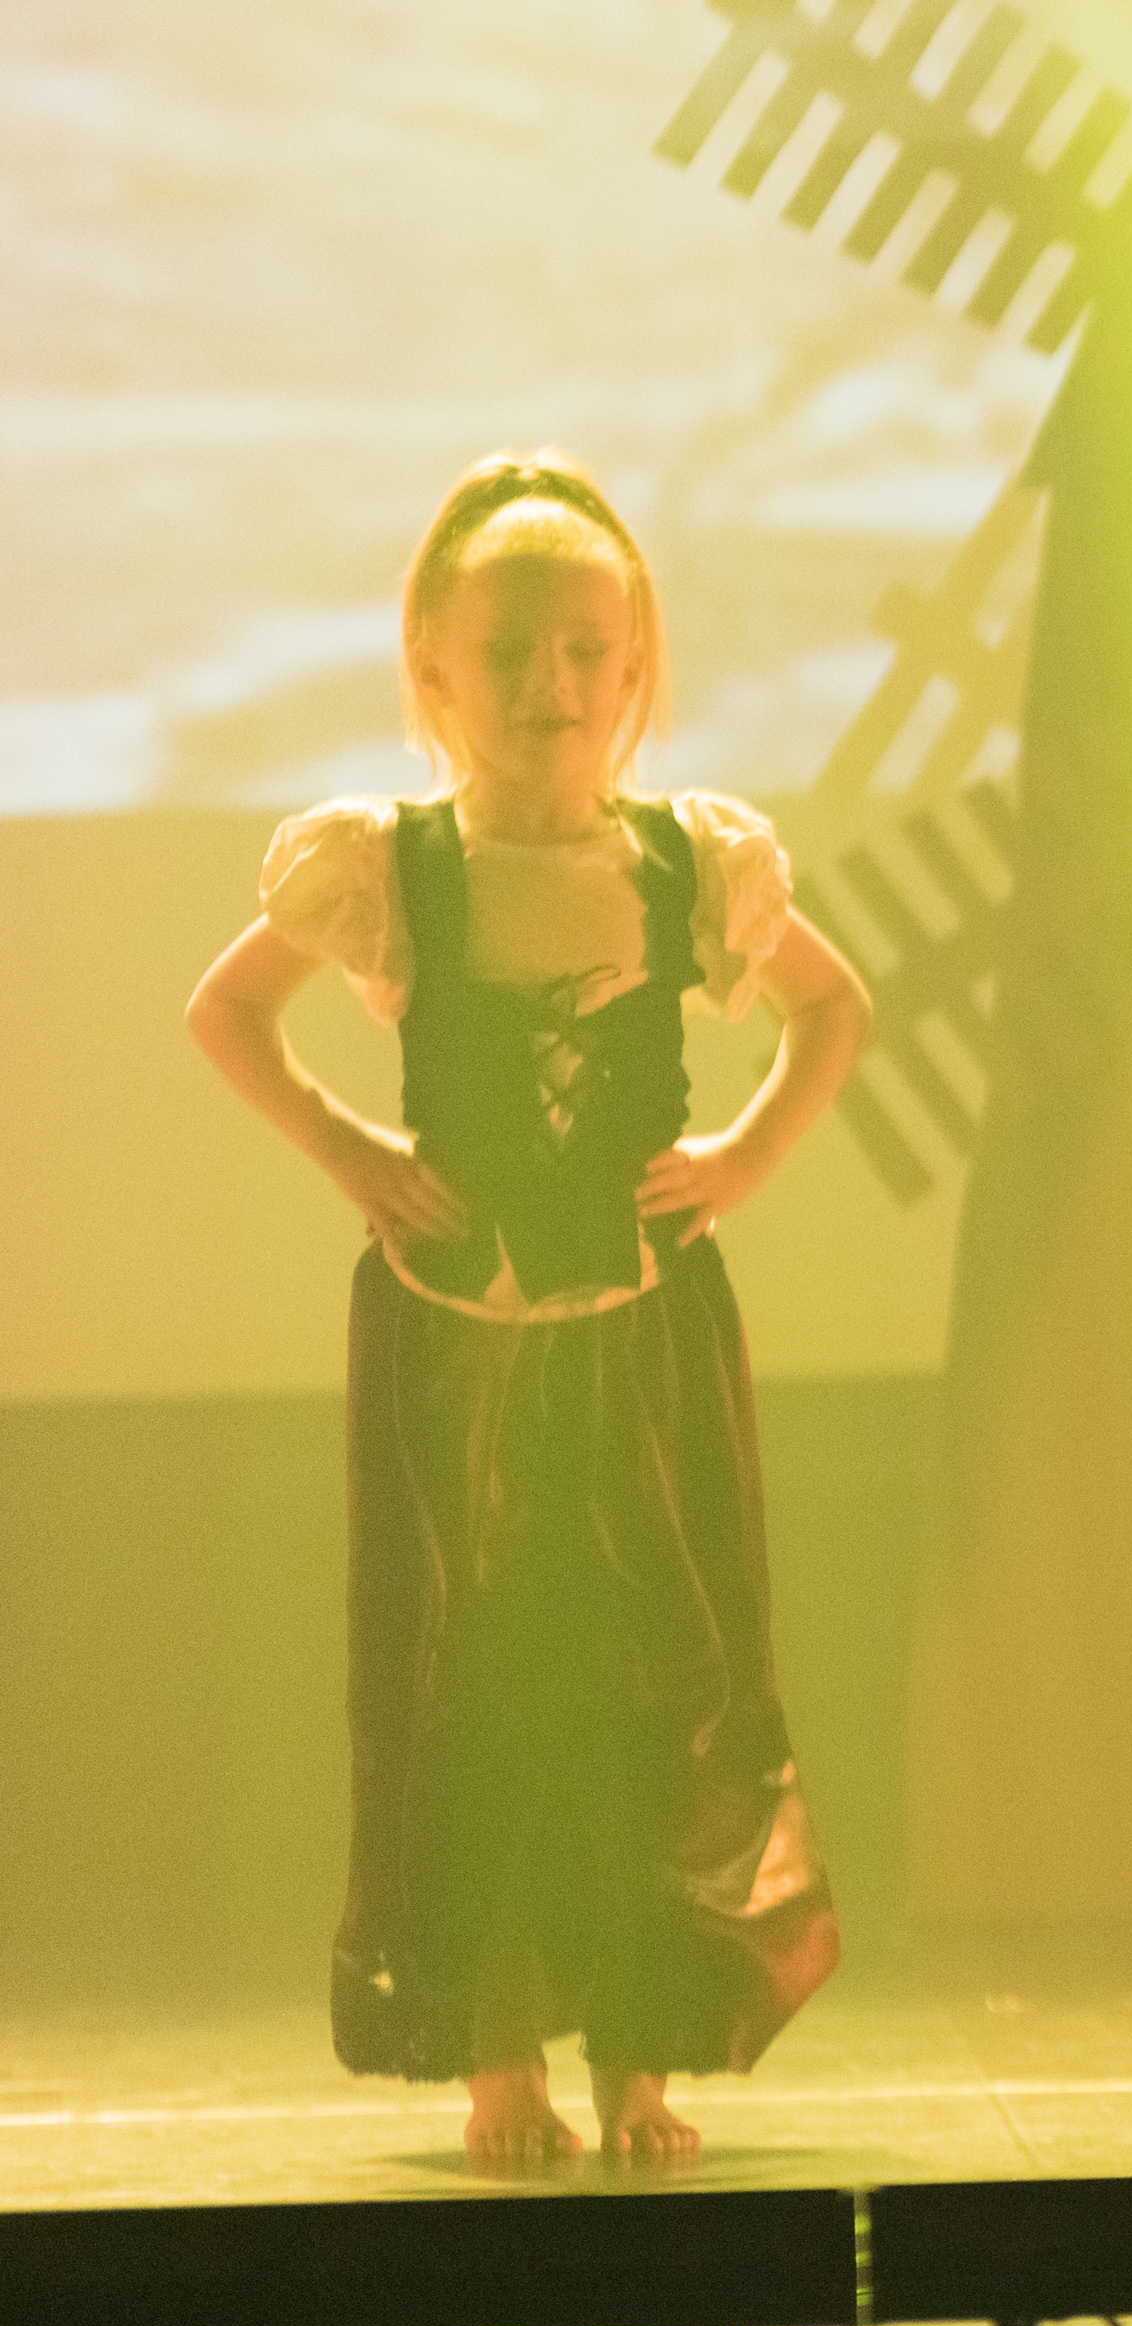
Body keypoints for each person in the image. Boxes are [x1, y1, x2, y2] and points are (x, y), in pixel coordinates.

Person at [185, 454, 867, 2167]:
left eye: (585, 653)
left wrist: (742, 1156)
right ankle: (498, 2053)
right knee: (474, 1682)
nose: (549, 686)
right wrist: (350, 1148)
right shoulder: (393, 864)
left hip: (639, 1339)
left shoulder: (685, 861)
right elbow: (226, 1013)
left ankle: (644, 2055)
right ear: (433, 663)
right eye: (507, 654)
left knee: (655, 1682)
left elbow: (833, 1009)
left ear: (633, 668)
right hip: (455, 1344)